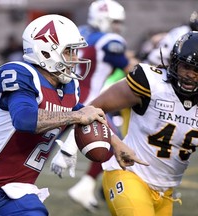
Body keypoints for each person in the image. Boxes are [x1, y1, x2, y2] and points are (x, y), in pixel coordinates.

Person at [0, 14, 147, 216]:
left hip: (20, 191)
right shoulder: (20, 73)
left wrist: (117, 143)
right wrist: (76, 117)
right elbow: (25, 120)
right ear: (45, 51)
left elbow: (85, 114)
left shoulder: (69, 86)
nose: (76, 58)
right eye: (69, 52)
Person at [53, 31, 198, 215]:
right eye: (186, 66)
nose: (191, 75)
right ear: (175, 62)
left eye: (197, 70)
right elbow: (92, 109)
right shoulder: (152, 82)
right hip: (128, 174)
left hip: (166, 191)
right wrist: (72, 146)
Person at [52, 0, 138, 212]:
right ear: (103, 19)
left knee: (41, 142)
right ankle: (91, 187)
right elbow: (135, 73)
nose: (118, 26)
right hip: (88, 103)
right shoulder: (111, 41)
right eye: (115, 21)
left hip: (63, 97)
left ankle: (86, 186)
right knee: (113, 145)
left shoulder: (81, 33)